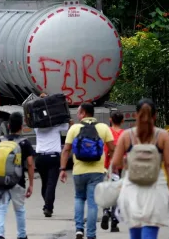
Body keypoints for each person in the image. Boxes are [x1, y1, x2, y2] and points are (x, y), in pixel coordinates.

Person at [111, 98, 169, 239]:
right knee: (150, 224)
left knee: (135, 225)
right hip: (155, 187)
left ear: (136, 115)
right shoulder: (163, 136)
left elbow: (116, 163)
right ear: (155, 116)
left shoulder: (127, 135)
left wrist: (127, 163)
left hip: (132, 186)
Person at [60, 102, 115, 239]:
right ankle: (91, 234)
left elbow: (66, 150)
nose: (78, 115)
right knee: (92, 203)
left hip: (78, 171)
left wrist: (62, 169)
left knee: (79, 198)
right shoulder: (103, 128)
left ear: (83, 113)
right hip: (97, 171)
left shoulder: (74, 129)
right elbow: (113, 149)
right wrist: (110, 166)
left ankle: (79, 229)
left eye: (79, 112)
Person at [0, 112, 35, 239]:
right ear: (21, 127)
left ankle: (0, 235)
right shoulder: (24, 143)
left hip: (0, 181)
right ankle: (21, 235)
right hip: (18, 182)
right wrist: (31, 184)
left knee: (0, 209)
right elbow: (30, 164)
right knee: (19, 210)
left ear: (8, 126)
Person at [35, 93, 72, 218]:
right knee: (51, 184)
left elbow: (37, 113)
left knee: (45, 183)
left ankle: (47, 203)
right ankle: (48, 207)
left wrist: (42, 101)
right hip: (53, 157)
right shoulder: (56, 126)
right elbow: (69, 125)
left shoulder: (37, 127)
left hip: (40, 158)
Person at [101, 110, 124, 232]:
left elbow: (105, 149)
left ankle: (106, 211)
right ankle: (114, 222)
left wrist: (104, 165)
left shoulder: (107, 132)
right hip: (118, 168)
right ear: (122, 121)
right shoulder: (124, 134)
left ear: (110, 119)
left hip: (107, 166)